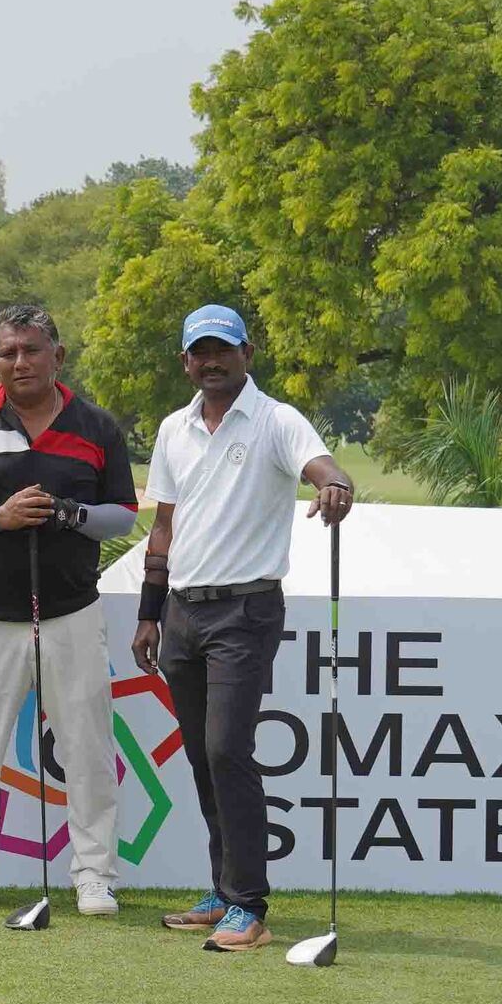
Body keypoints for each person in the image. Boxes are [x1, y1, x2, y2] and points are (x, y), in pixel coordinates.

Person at [130, 304, 353, 952]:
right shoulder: (173, 429)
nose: (210, 361)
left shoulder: (277, 420)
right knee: (202, 755)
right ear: (185, 361)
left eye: (222, 350)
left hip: (246, 610)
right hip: (183, 611)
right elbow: (164, 527)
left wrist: (335, 486)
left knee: (228, 749)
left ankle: (249, 906)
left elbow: (324, 467)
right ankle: (224, 891)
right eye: (198, 351)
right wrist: (149, 611)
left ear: (246, 353)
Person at [0, 304, 139, 915]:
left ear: (58, 356)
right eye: (8, 352)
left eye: (32, 350)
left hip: (71, 611)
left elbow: (123, 513)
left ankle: (95, 875)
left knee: (89, 748)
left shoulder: (95, 426)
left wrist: (68, 514)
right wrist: (0, 517)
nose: (21, 361)